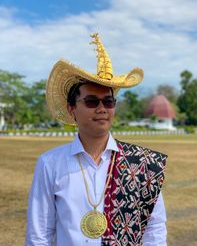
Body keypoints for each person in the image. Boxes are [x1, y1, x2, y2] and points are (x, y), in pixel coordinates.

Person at [25, 33, 167, 246]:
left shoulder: (142, 165)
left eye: (108, 102)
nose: (102, 109)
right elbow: (39, 235)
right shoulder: (50, 164)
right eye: (91, 101)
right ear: (72, 109)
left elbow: (154, 229)